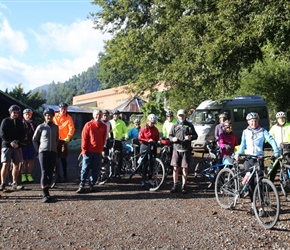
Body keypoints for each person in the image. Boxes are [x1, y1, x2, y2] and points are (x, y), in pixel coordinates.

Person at [234, 112, 280, 215]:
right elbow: (242, 145)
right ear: (248, 122)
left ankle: (261, 207)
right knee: (250, 184)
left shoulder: (262, 131)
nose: (253, 123)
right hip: (248, 159)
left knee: (259, 183)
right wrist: (238, 154)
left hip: (258, 159)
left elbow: (271, 140)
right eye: (251, 121)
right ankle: (253, 205)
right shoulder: (245, 132)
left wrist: (276, 151)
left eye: (255, 121)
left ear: (257, 121)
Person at [76, 109, 107, 193]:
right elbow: (84, 138)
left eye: (100, 115)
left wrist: (101, 149)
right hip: (88, 151)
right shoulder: (88, 125)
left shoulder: (104, 126)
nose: (98, 116)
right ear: (93, 115)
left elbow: (104, 138)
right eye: (96, 114)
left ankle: (91, 185)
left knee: (96, 169)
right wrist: (84, 150)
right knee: (85, 169)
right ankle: (81, 185)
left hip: (98, 151)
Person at [32, 108, 59, 202]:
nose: (49, 117)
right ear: (44, 116)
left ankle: (48, 191)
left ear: (52, 117)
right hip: (43, 152)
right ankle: (44, 193)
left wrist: (55, 147)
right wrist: (38, 150)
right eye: (47, 115)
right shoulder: (41, 127)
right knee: (44, 171)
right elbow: (34, 139)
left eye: (50, 115)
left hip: (52, 152)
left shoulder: (56, 127)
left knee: (50, 171)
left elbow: (57, 138)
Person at [169, 109, 197, 194]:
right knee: (175, 167)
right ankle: (175, 184)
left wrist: (190, 137)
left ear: (185, 116)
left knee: (185, 168)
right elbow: (170, 135)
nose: (181, 117)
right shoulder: (175, 125)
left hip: (186, 149)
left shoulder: (189, 125)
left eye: (182, 115)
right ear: (177, 116)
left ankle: (184, 186)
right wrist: (172, 139)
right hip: (176, 149)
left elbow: (195, 135)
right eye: (179, 115)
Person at [0, 105, 25, 191]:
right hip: (6, 145)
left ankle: (14, 183)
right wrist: (10, 142)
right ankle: (3, 183)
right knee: (5, 164)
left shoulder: (20, 122)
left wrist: (18, 142)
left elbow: (23, 134)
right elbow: (2, 134)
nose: (16, 114)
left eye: (17, 113)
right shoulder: (5, 121)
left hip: (17, 146)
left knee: (16, 164)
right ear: (10, 112)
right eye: (14, 112)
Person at [52, 102, 75, 182]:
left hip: (64, 140)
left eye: (65, 108)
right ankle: (57, 175)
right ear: (59, 109)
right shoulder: (54, 116)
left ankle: (65, 174)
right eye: (62, 108)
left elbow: (71, 128)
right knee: (55, 158)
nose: (63, 110)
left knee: (63, 158)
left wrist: (68, 137)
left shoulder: (68, 117)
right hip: (55, 140)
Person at [138, 114, 160, 187]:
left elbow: (157, 138)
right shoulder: (144, 128)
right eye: (151, 122)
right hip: (144, 146)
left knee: (151, 163)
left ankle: (150, 179)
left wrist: (157, 142)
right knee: (144, 163)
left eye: (153, 123)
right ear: (148, 121)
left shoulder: (155, 129)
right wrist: (148, 140)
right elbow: (140, 138)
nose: (152, 124)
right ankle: (143, 180)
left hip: (152, 146)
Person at [269, 111, 290, 182]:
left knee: (288, 164)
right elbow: (269, 137)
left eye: (283, 118)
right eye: (280, 119)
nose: (281, 120)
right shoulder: (274, 127)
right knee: (275, 165)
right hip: (278, 148)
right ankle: (271, 181)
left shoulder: (289, 125)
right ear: (277, 119)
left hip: (288, 147)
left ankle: (288, 179)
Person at [21, 109, 37, 183]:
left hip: (31, 144)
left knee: (31, 160)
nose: (28, 116)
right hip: (22, 144)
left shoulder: (33, 124)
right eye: (26, 114)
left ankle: (29, 174)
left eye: (29, 114)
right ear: (23, 115)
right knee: (23, 160)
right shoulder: (20, 123)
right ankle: (23, 174)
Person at [110, 109, 128, 175]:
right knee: (110, 154)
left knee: (120, 156)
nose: (115, 116)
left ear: (118, 115)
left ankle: (119, 169)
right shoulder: (110, 122)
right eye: (114, 115)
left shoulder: (122, 122)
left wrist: (126, 136)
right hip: (112, 140)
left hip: (119, 140)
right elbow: (108, 130)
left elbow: (126, 131)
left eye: (117, 115)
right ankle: (110, 169)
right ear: (113, 115)